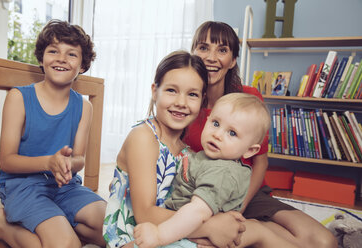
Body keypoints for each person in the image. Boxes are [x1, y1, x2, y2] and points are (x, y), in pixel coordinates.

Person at [183, 20, 337, 248]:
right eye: (204, 48)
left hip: (248, 193)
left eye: (222, 50)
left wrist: (239, 209)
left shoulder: (249, 97)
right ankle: (256, 232)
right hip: (204, 193)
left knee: (325, 242)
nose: (211, 57)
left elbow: (260, 162)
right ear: (194, 52)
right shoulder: (186, 101)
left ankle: (254, 226)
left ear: (233, 60)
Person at [0, 20, 106, 248]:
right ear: (42, 58)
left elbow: (80, 159)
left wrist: (67, 165)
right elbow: (6, 160)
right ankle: (0, 225)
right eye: (53, 51)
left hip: (65, 187)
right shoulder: (19, 98)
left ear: (82, 65)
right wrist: (49, 162)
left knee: (111, 228)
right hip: (23, 187)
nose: (61, 58)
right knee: (66, 244)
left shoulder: (84, 107)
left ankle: (55, 220)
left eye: (71, 54)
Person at [133, 93, 300, 248]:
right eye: (215, 123)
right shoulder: (207, 157)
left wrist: (159, 235)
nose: (217, 134)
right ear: (207, 120)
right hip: (182, 225)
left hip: (189, 235)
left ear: (249, 151)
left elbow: (197, 212)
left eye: (232, 133)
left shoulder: (222, 172)